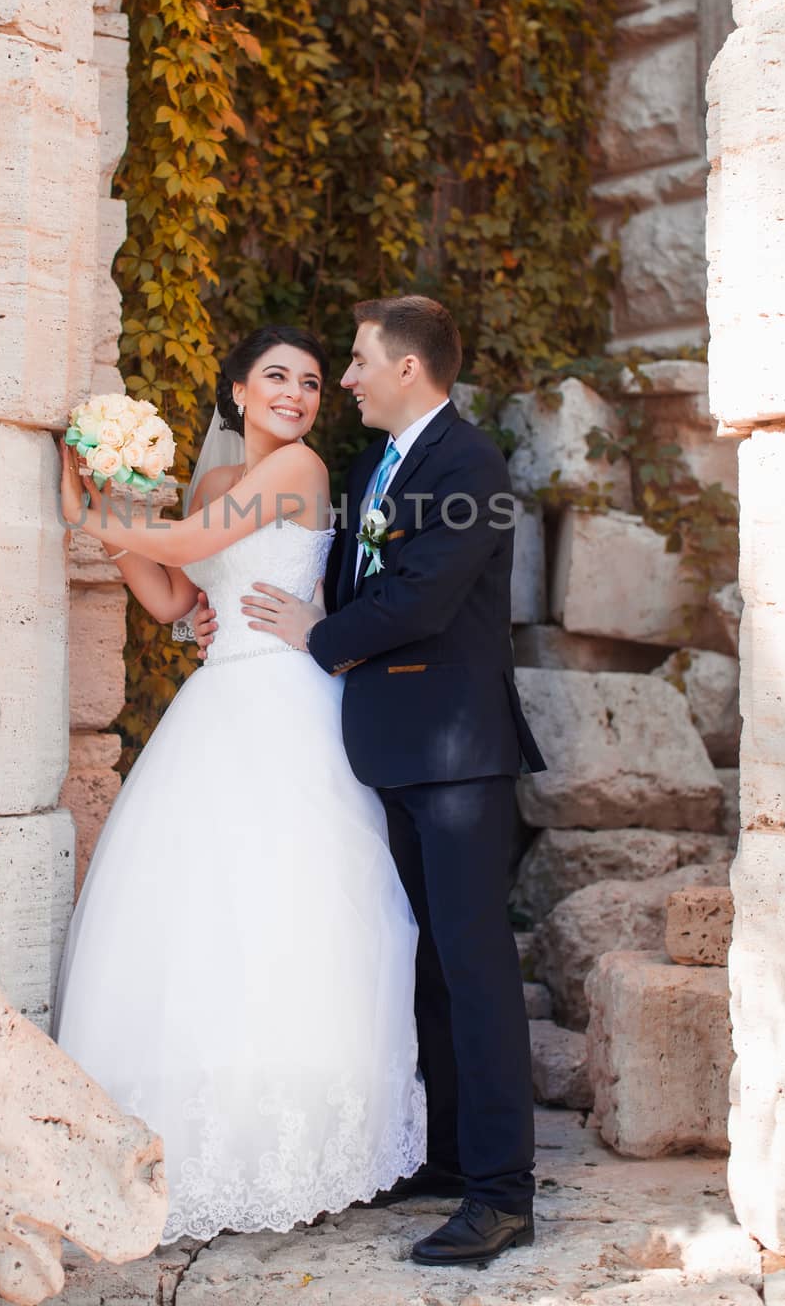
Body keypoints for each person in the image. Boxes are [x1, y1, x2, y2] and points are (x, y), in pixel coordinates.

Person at [52, 325, 425, 1246]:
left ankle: (284, 1148)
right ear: (236, 391)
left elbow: (177, 537)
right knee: (194, 918)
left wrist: (86, 508)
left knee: (281, 914)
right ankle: (178, 1141)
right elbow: (174, 597)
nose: (297, 395)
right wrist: (111, 512)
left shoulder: (298, 470)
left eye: (308, 381)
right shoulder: (220, 484)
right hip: (215, 703)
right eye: (276, 379)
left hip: (283, 703)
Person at [196, 295, 546, 1266]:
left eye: (354, 362)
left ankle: (501, 1193)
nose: (341, 380)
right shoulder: (370, 467)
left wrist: (317, 635)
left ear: (407, 368)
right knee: (424, 962)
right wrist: (253, 609)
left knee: (474, 971)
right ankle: (443, 1155)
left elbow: (420, 596)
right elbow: (341, 580)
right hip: (385, 750)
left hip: (456, 753)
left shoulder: (467, 463)